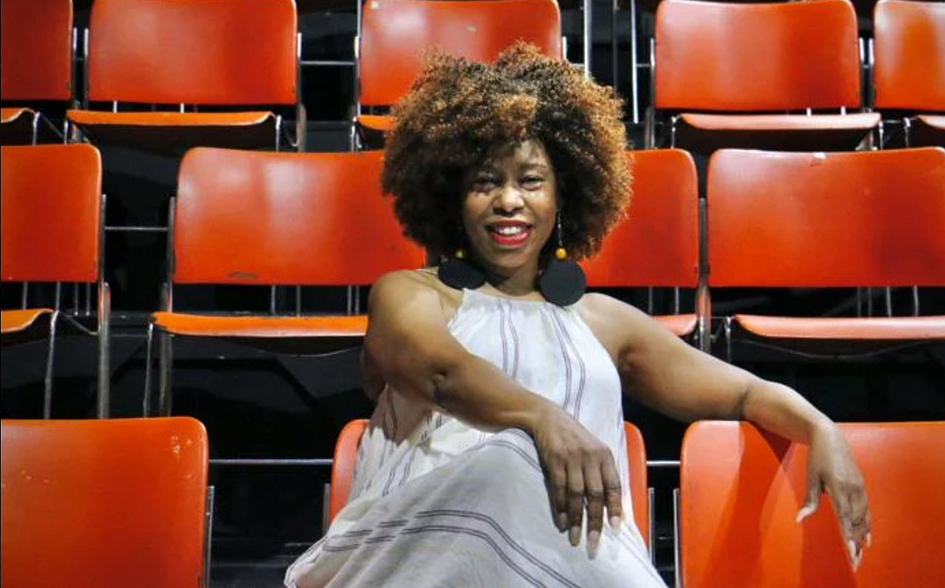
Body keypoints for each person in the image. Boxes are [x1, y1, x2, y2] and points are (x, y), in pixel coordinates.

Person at [286, 43, 870, 587]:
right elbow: (440, 372)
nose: (509, 200)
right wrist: (543, 422)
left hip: (571, 552)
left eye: (531, 181)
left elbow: (741, 394)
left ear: (563, 197)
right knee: (509, 461)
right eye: (485, 183)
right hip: (421, 551)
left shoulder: (602, 321)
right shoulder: (410, 294)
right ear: (450, 199)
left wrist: (820, 426)